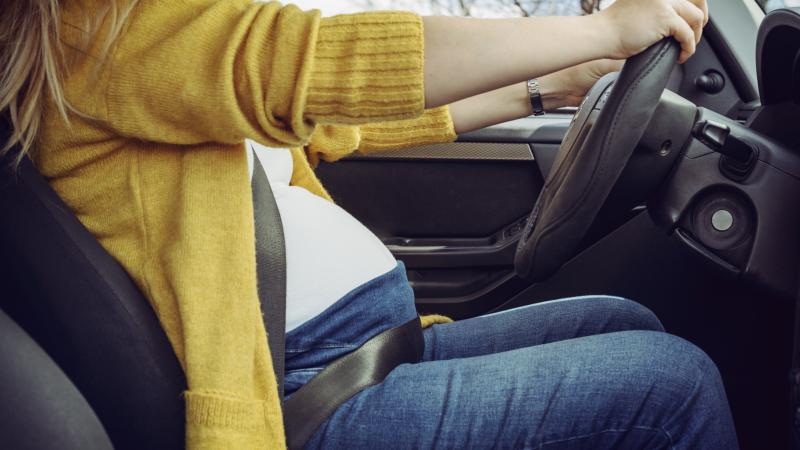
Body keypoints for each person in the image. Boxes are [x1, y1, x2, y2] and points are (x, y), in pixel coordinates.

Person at [0, 0, 737, 448]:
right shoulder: (95, 32)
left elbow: (326, 122)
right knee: (674, 386)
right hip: (305, 399)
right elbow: (317, 62)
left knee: (619, 319)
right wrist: (598, 29)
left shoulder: (148, 50)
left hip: (366, 349)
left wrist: (545, 92)